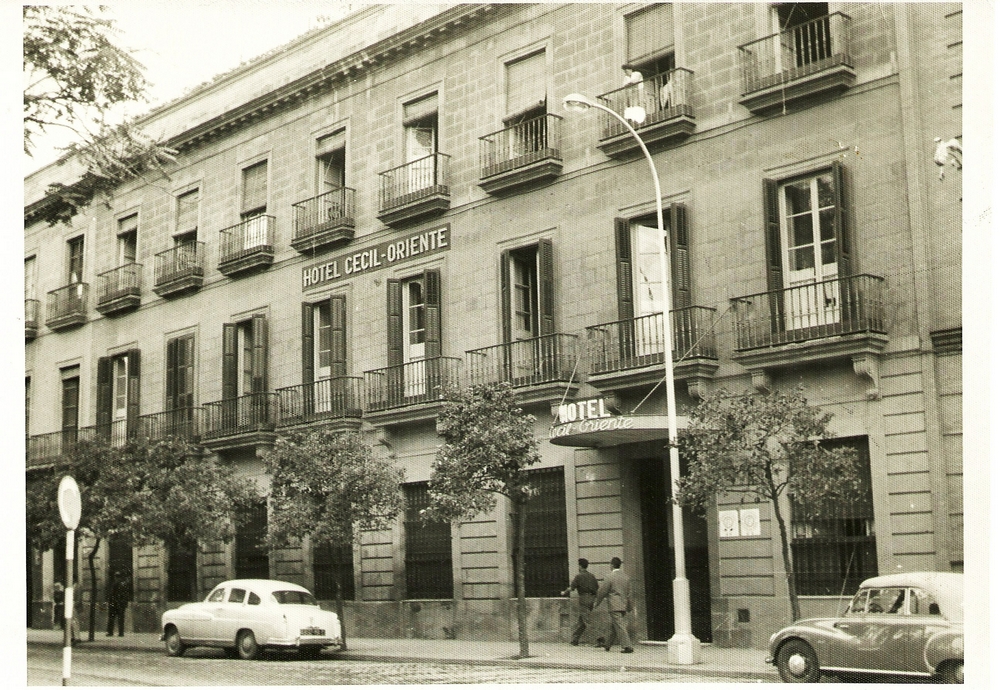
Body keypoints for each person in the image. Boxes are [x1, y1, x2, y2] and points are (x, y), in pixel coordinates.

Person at [593, 556, 633, 653]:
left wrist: (596, 603)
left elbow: (602, 591)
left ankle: (627, 646)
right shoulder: (626, 577)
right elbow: (629, 593)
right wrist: (629, 606)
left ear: (611, 565)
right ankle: (607, 644)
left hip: (614, 605)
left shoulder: (609, 577)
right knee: (614, 625)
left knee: (619, 625)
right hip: (623, 605)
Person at [561, 558, 599, 646]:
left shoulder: (579, 576)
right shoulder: (592, 576)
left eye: (578, 565)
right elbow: (597, 588)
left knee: (587, 621)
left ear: (580, 566)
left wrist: (564, 592)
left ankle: (599, 639)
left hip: (584, 599)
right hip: (592, 599)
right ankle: (575, 639)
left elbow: (571, 588)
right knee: (582, 621)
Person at [106, 569, 131, 637]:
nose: (116, 577)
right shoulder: (123, 584)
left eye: (117, 576)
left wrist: (111, 603)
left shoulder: (117, 584)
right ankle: (119, 632)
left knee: (113, 618)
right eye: (116, 576)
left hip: (116, 604)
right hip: (118, 604)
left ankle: (112, 632)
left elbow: (112, 594)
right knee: (119, 618)